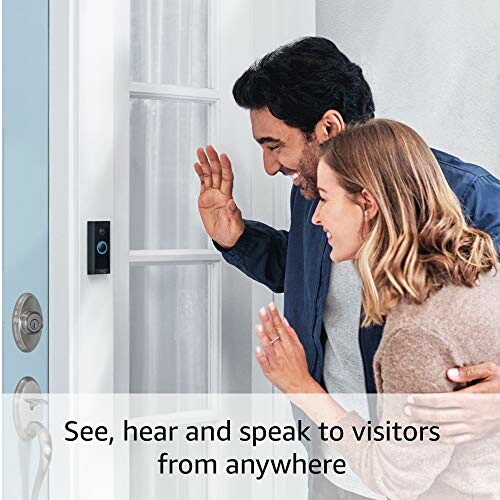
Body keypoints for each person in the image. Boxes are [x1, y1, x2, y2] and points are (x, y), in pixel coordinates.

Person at [193, 37, 500, 498]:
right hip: (338, 458)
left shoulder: (464, 197)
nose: (270, 165)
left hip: (426, 478)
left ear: (328, 128)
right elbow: (310, 276)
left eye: (275, 144)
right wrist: (235, 238)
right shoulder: (313, 194)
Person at [252, 118, 500, 498]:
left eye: (325, 198)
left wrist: (300, 387)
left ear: (366, 203)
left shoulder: (415, 332)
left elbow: (395, 481)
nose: (315, 218)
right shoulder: (467, 268)